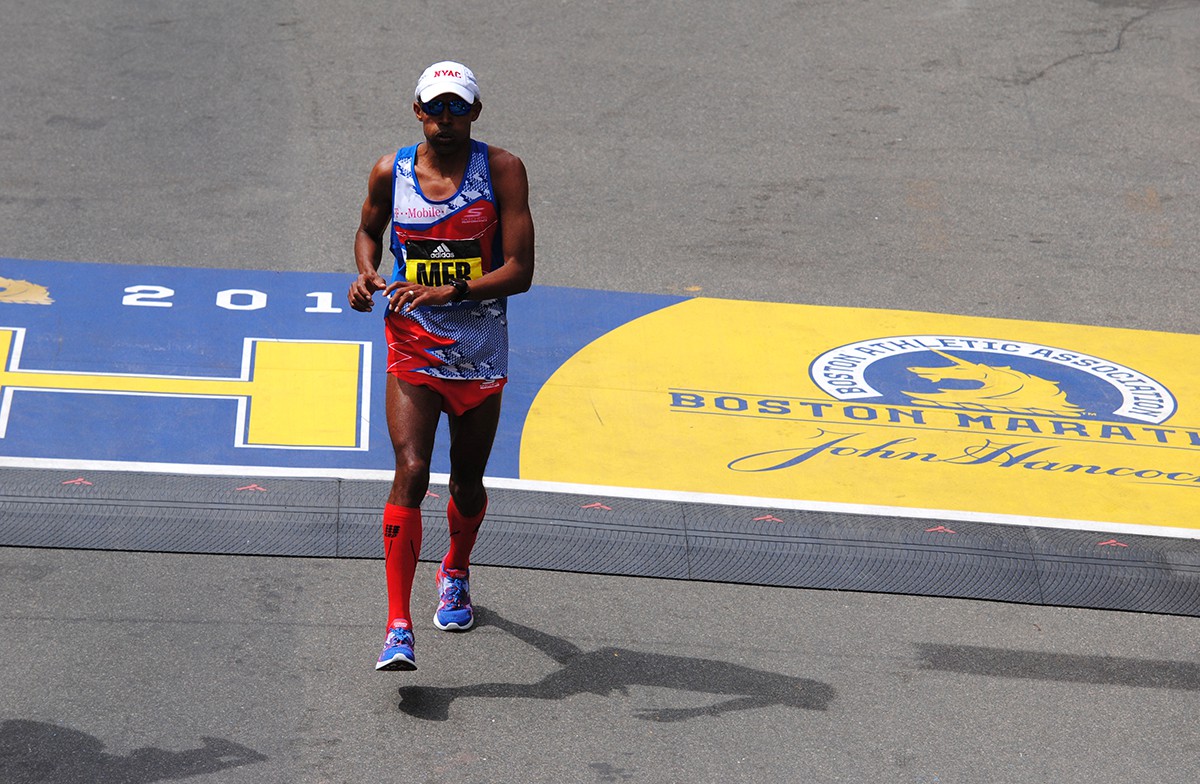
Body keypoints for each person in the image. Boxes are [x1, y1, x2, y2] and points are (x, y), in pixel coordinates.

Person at [347, 61, 535, 671]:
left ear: (475, 112)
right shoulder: (390, 171)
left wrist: (449, 293)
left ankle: (454, 570)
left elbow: (520, 271)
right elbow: (368, 231)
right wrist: (368, 273)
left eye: (458, 107)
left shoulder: (502, 171)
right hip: (413, 341)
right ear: (417, 110)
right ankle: (397, 625)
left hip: (479, 345)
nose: (445, 119)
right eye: (436, 107)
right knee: (412, 467)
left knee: (467, 481)